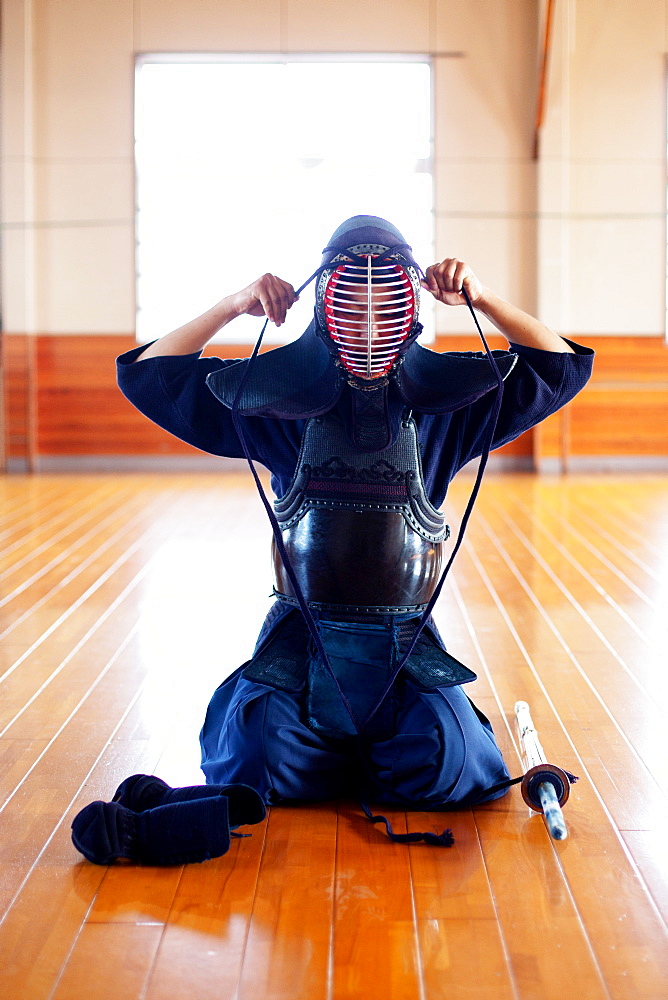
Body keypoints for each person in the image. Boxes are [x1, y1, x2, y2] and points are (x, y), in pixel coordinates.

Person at [71, 216, 594, 865]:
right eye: (354, 305)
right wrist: (235, 303)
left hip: (405, 646)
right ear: (324, 307)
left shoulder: (445, 410)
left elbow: (561, 365)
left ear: (411, 311)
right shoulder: (277, 404)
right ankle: (344, 756)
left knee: (445, 761)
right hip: (299, 641)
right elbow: (151, 376)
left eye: (387, 306)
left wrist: (482, 298)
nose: (370, 327)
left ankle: (367, 752)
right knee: (261, 754)